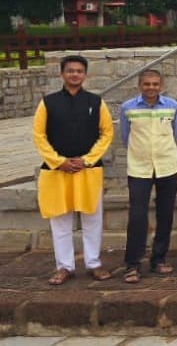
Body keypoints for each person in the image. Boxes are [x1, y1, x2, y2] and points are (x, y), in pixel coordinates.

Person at [33, 55, 114, 286]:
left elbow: (106, 133)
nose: (75, 74)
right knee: (60, 221)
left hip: (88, 171)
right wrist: (58, 161)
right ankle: (64, 266)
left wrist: (87, 160)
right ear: (62, 74)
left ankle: (93, 263)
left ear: (85, 75)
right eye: (70, 71)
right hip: (56, 171)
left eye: (79, 71)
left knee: (92, 218)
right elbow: (39, 136)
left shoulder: (96, 102)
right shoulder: (47, 103)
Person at [119, 68, 177, 284]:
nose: (151, 88)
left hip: (167, 166)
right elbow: (126, 137)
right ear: (139, 86)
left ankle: (159, 259)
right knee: (137, 216)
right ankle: (133, 264)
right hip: (139, 168)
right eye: (147, 84)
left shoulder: (172, 106)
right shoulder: (128, 108)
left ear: (161, 86)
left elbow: (176, 133)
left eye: (155, 84)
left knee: (165, 214)